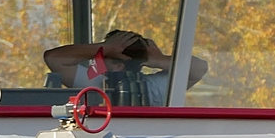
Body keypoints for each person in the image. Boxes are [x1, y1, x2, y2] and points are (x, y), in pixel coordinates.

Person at [42, 29, 207, 105]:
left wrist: (104, 48)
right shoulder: (156, 88)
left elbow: (53, 59)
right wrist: (158, 60)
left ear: (117, 66)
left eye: (102, 55)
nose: (97, 58)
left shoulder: (93, 84)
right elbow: (199, 69)